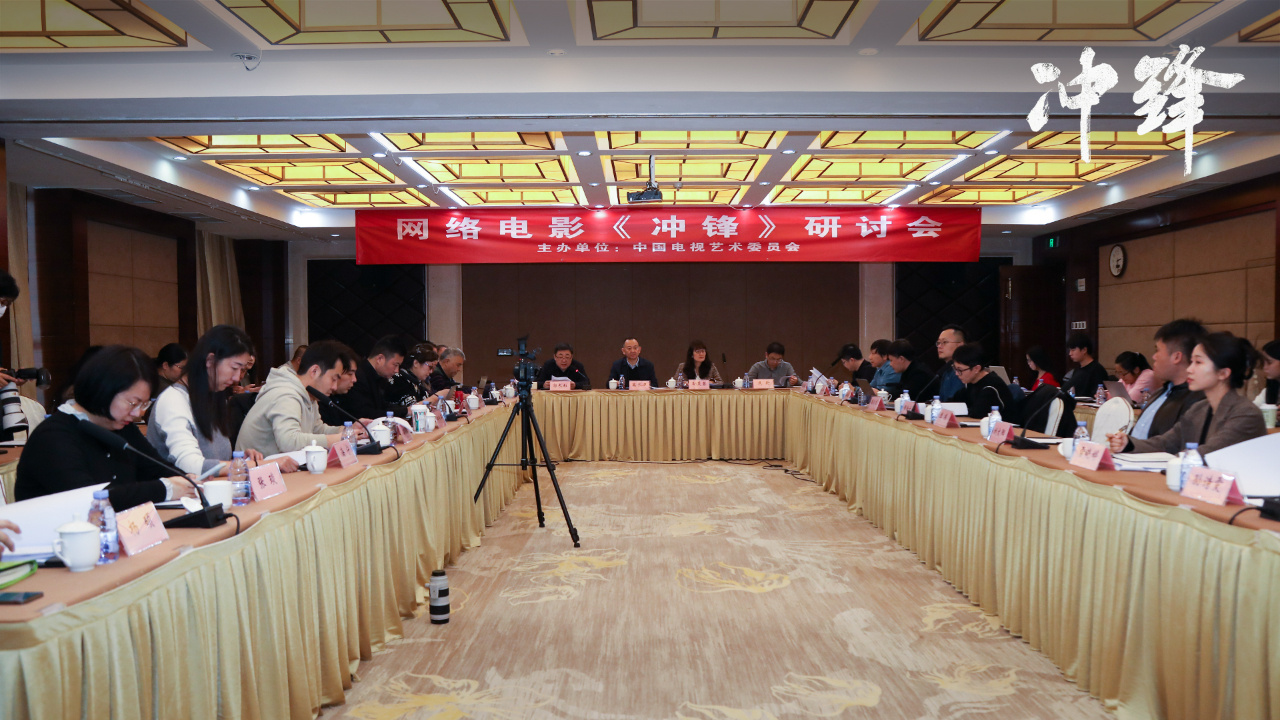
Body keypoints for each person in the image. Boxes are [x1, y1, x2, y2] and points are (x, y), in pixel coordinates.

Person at [15, 345, 198, 509]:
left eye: (144, 404)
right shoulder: (53, 437)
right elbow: (90, 500)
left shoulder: (122, 426)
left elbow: (156, 469)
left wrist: (188, 480)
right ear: (103, 390)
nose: (138, 413)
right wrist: (165, 489)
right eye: (133, 403)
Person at [148, 325, 298, 476]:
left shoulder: (214, 398)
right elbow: (191, 465)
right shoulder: (173, 400)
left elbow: (214, 457)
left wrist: (240, 460)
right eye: (234, 368)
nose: (237, 378)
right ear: (210, 360)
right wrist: (258, 465)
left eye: (242, 370)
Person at [1109, 332, 1267, 456]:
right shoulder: (1199, 409)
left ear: (1223, 373)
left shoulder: (1246, 414)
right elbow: (1167, 442)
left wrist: (1174, 461)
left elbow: (1209, 454)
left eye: (1198, 362)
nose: (1190, 369)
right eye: (1191, 362)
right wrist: (1128, 443)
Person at [235, 341, 365, 456]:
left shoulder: (309, 394)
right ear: (314, 371)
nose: (335, 386)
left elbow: (317, 430)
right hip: (257, 471)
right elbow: (288, 442)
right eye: (333, 379)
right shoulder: (286, 394)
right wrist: (337, 439)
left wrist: (348, 431)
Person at [1130, 319, 1208, 440]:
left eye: (1157, 350)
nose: (1154, 357)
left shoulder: (1198, 402)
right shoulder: (1160, 393)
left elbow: (1172, 445)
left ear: (1177, 357)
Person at [335, 335, 407, 419]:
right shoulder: (358, 377)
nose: (397, 370)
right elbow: (367, 415)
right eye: (395, 365)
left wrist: (407, 410)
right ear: (379, 359)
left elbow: (383, 406)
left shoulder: (377, 376)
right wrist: (405, 411)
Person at [951, 343, 1016, 420]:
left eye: (960, 370)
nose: (956, 373)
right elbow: (954, 402)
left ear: (976, 368)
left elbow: (977, 414)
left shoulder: (991, 387)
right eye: (955, 369)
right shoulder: (971, 383)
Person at [318, 349, 361, 427]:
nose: (354, 379)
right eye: (350, 374)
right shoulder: (317, 400)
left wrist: (352, 428)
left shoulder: (347, 396)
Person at [1064, 333, 1108, 399]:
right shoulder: (1077, 370)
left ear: (1084, 350)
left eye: (1073, 350)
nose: (1070, 354)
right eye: (1069, 350)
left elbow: (1097, 395)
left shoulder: (1097, 370)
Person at [934, 324, 966, 401]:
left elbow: (953, 403)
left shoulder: (962, 371)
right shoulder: (946, 370)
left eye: (944, 342)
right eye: (938, 342)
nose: (939, 346)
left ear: (960, 345)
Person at [1254, 339, 1279, 407]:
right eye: (1263, 362)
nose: (1264, 367)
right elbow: (1252, 408)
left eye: (1269, 362)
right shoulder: (1268, 391)